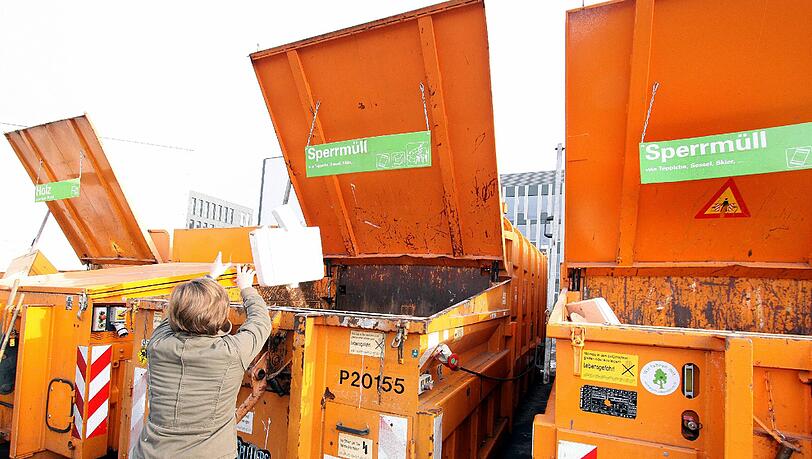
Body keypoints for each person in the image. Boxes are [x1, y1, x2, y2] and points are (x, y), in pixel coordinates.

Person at [133, 254, 272, 459]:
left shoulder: (158, 345)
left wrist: (210, 277)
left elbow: (172, 316)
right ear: (221, 316)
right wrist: (246, 287)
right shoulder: (230, 352)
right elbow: (261, 322)